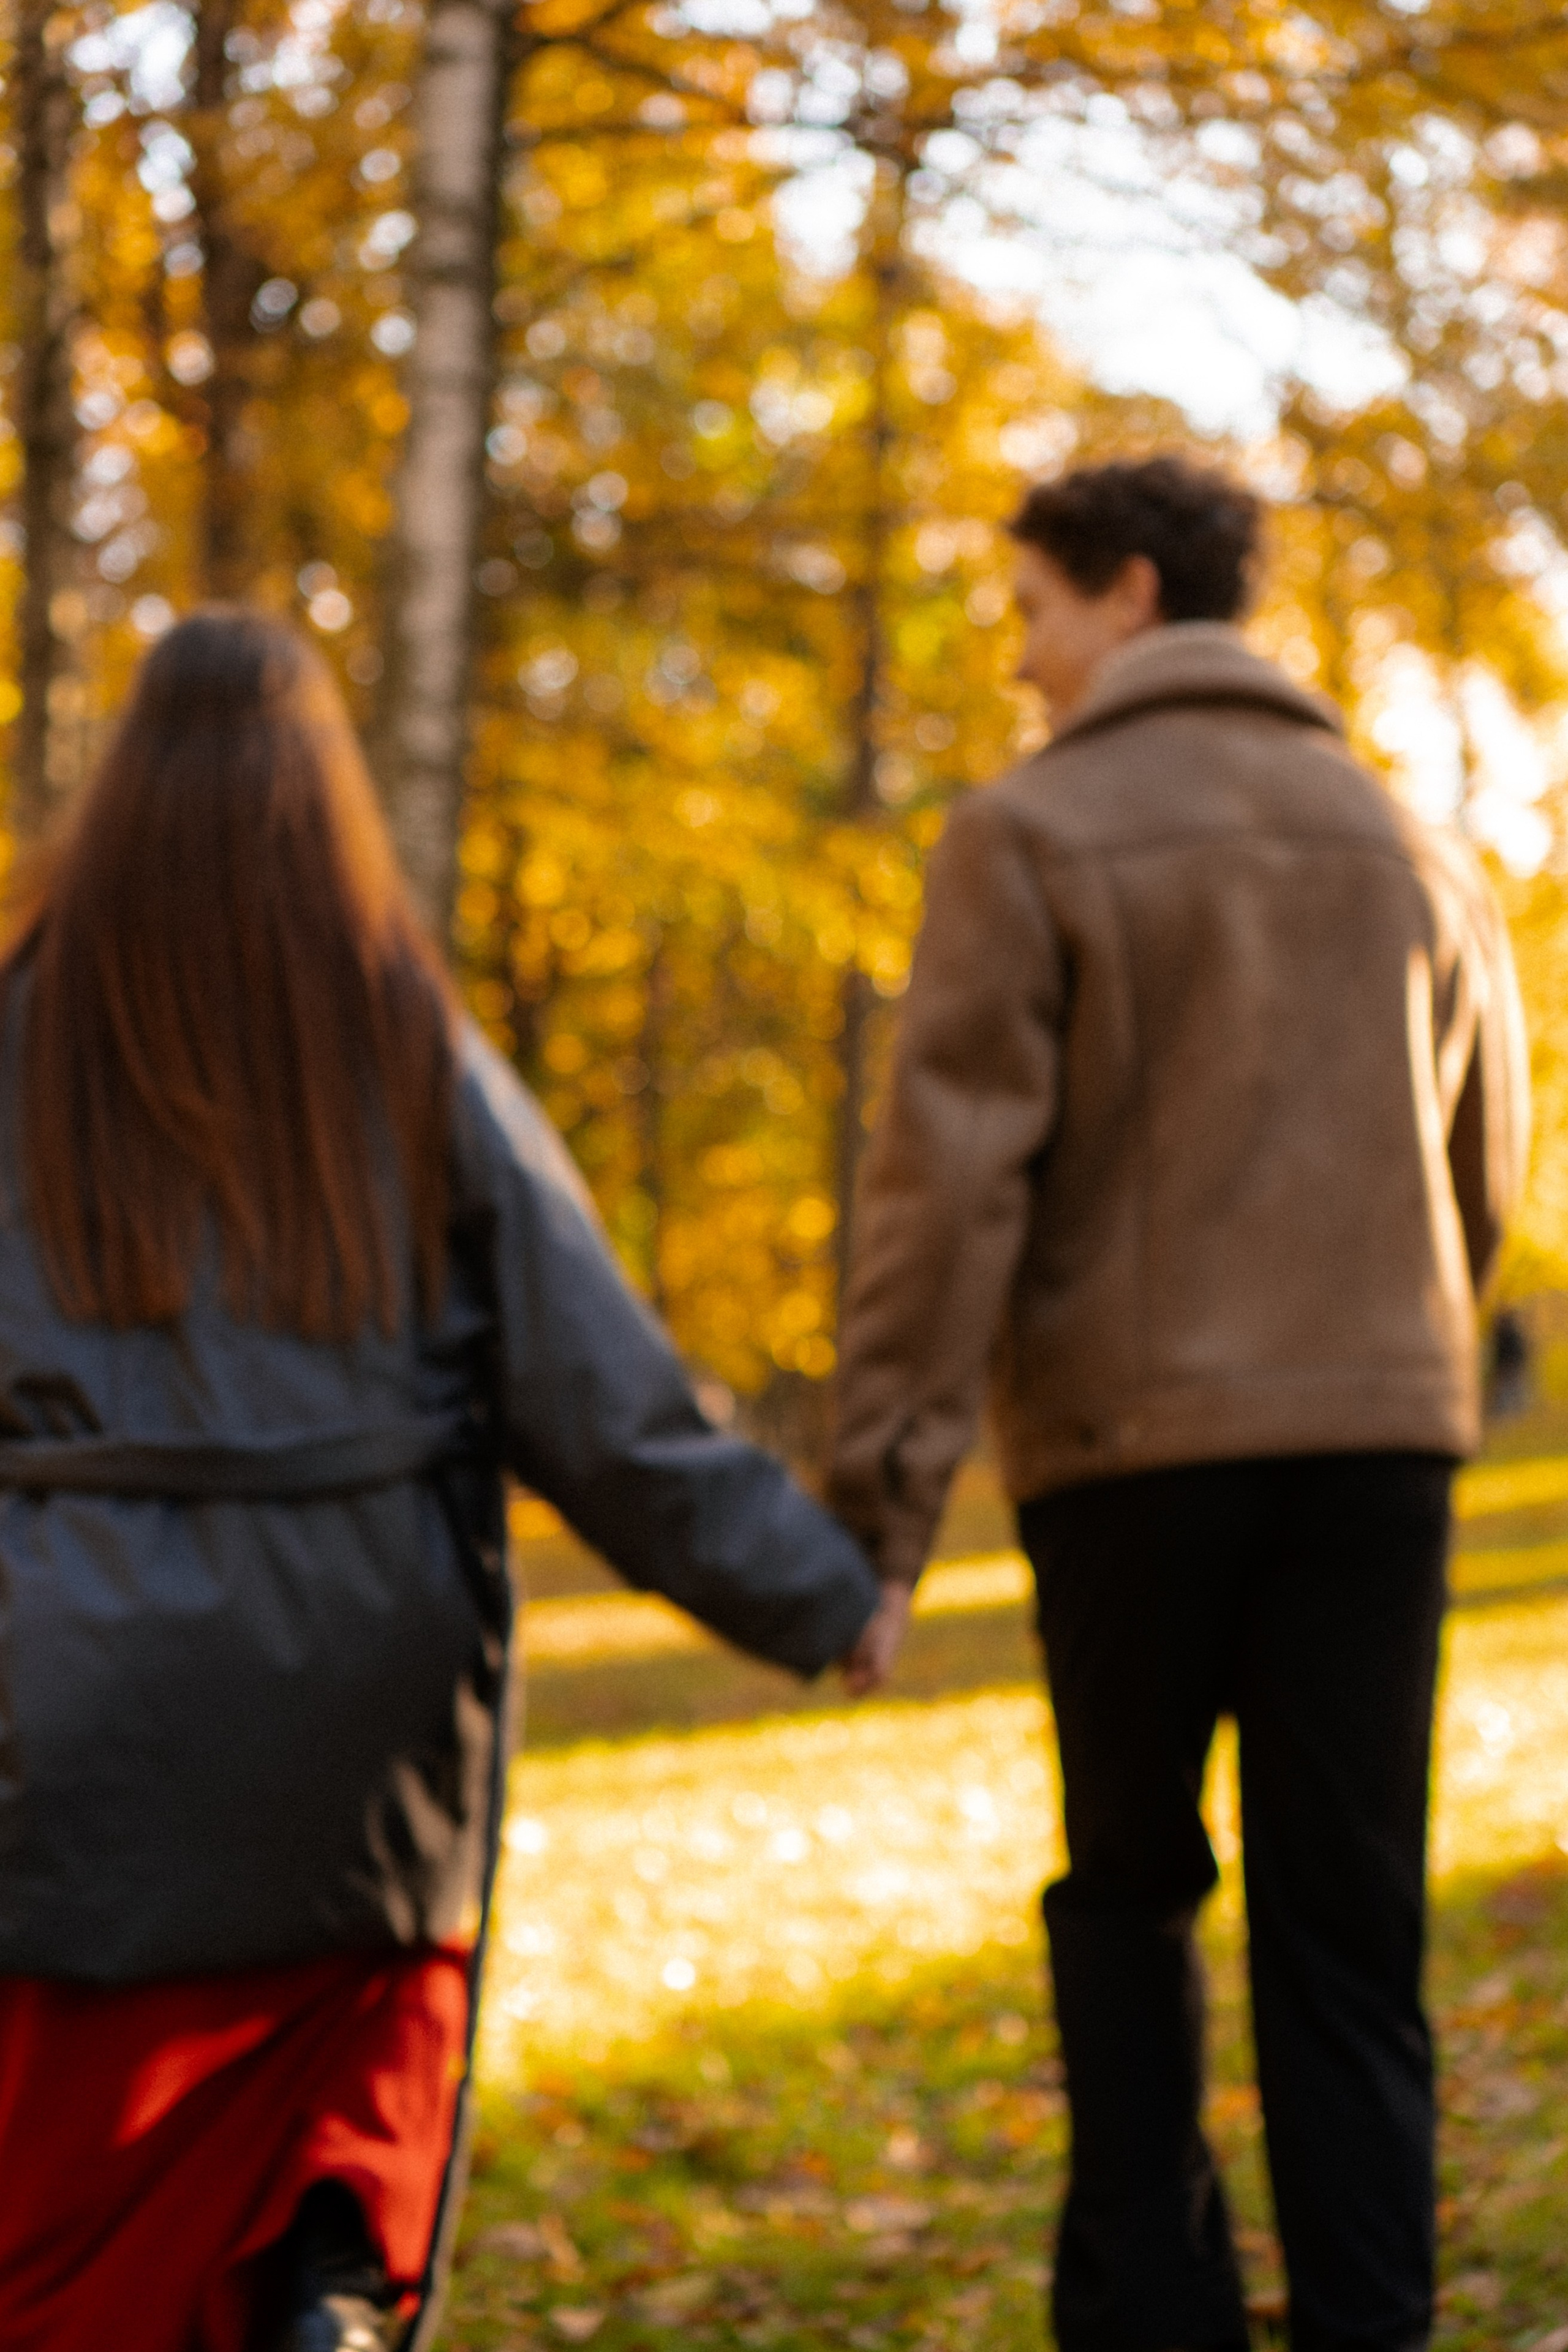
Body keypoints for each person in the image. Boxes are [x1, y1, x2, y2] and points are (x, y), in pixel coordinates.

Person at [0, 609, 880, 2352]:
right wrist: (820, 1595)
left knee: (59, 2209)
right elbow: (601, 1394)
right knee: (341, 2143)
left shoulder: (19, 1042)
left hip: (61, 1710)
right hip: (363, 1728)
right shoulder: (406, 1051)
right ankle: (324, 2276)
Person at [828, 456, 1529, 2351]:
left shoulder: (1033, 834)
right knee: (1349, 1930)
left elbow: (944, 1191)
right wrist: (1409, 1352)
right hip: (1382, 1447)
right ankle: (1374, 2327)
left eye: (1037, 615)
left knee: (1130, 1898)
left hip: (1135, 1463)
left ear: (1128, 593)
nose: (1027, 662)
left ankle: (1156, 2320)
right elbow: (1489, 1156)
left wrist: (877, 1515)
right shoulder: (1406, 840)